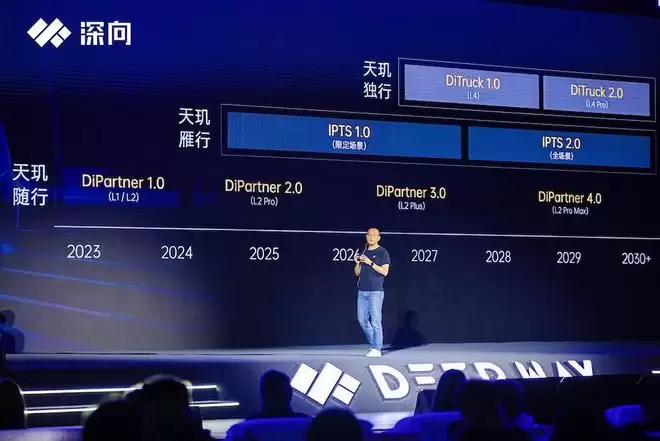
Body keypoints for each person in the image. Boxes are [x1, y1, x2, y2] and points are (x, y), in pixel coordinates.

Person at [353, 227, 390, 357]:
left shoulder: (382, 252)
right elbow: (357, 273)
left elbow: (385, 272)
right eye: (369, 235)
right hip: (362, 291)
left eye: (374, 235)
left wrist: (370, 263)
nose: (371, 237)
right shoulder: (363, 252)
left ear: (378, 238)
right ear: (366, 237)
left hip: (375, 291)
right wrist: (358, 263)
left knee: (375, 321)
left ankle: (377, 348)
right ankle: (374, 344)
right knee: (362, 320)